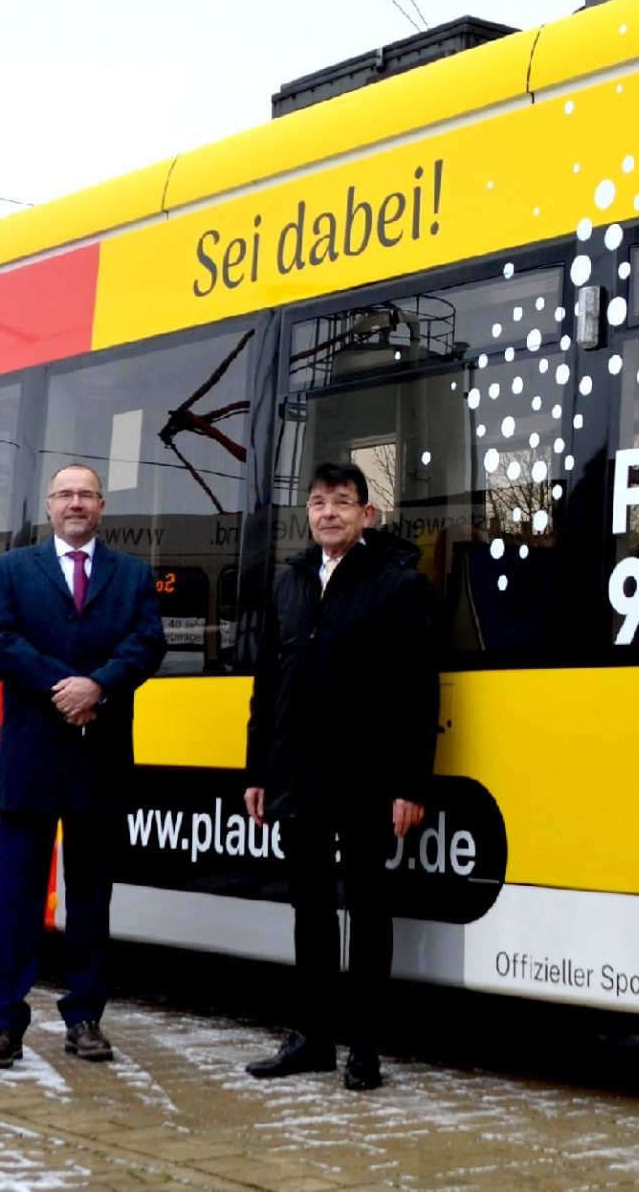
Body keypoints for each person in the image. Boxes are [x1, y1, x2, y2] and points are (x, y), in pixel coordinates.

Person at [242, 460, 438, 1092]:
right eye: (319, 502)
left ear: (366, 515)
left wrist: (411, 785)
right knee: (310, 910)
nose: (328, 513)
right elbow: (267, 686)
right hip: (297, 775)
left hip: (368, 778)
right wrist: (258, 772)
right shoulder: (289, 584)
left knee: (368, 909)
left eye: (342, 503)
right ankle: (313, 1038)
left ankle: (365, 1047)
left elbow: (417, 692)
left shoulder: (397, 584)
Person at [0, 462, 165, 1070]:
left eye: (86, 494)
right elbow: (0, 641)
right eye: (65, 495)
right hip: (32, 761)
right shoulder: (12, 569)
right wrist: (68, 686)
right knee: (17, 900)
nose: (75, 503)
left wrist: (101, 686)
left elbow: (147, 642)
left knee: (90, 899)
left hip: (99, 760)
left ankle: (85, 1016)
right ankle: (4, 1023)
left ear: (102, 506)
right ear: (49, 506)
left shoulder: (133, 574)